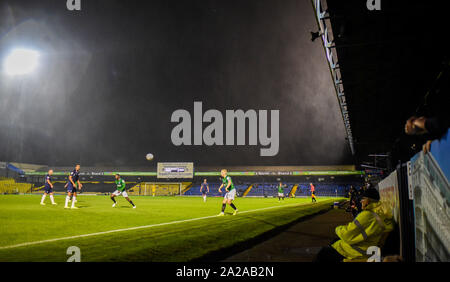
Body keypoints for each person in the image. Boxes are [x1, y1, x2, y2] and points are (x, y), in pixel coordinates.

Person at [314, 188, 394, 262]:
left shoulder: (367, 215)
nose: (360, 201)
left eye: (363, 198)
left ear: (369, 200)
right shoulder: (381, 214)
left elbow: (347, 235)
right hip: (369, 250)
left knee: (323, 253)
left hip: (357, 252)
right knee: (334, 242)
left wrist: (338, 229)